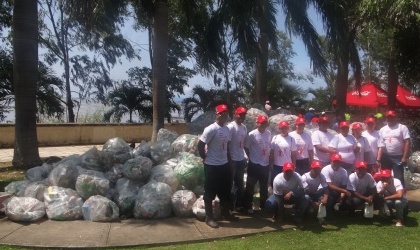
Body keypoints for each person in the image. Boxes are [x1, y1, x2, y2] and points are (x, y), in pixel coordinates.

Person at [197, 104, 235, 228]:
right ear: (217, 114)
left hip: (224, 165)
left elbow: (227, 147)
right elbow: (200, 145)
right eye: (222, 113)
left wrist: (229, 162)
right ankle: (209, 217)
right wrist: (205, 157)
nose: (224, 115)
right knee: (210, 192)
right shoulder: (211, 129)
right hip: (212, 165)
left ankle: (225, 213)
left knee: (225, 191)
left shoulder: (227, 129)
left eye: (226, 113)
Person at [244, 114, 271, 214]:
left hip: (265, 164)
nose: (263, 125)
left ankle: (263, 206)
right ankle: (248, 206)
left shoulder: (268, 134)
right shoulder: (252, 134)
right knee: (250, 186)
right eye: (261, 123)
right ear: (257, 123)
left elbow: (269, 147)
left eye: (265, 123)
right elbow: (246, 147)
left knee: (264, 187)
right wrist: (251, 157)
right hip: (254, 164)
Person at [377, 110, 411, 187]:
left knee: (399, 177)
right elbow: (380, 145)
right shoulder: (382, 129)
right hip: (385, 157)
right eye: (388, 117)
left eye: (392, 117)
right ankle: (387, 193)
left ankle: (402, 196)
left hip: (398, 156)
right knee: (385, 176)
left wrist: (404, 157)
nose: (390, 119)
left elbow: (407, 142)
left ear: (395, 118)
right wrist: (379, 158)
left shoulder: (402, 127)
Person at [226, 106, 248, 211]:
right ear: (235, 114)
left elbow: (243, 144)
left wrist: (245, 157)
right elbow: (227, 144)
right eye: (240, 114)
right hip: (232, 160)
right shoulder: (231, 127)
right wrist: (229, 160)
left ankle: (238, 204)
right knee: (230, 184)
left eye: (243, 115)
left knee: (239, 184)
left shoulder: (244, 127)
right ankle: (229, 206)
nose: (242, 117)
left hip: (240, 159)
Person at [269, 121, 297, 186]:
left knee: (287, 182)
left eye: (285, 128)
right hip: (276, 165)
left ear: (288, 128)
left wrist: (294, 165)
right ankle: (276, 195)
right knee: (274, 181)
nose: (284, 130)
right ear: (279, 129)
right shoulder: (275, 137)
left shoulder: (291, 139)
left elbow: (293, 154)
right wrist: (271, 163)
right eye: (282, 128)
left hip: (287, 165)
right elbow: (272, 152)